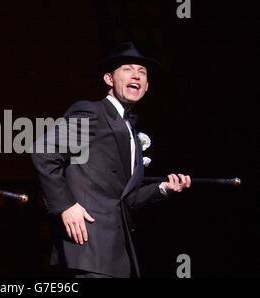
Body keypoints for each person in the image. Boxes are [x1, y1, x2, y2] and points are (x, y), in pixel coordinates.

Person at [31, 42, 191, 278]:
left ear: (146, 87)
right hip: (89, 244)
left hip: (118, 254)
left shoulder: (133, 135)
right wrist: (65, 205)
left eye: (142, 72)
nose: (136, 74)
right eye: (127, 68)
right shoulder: (92, 112)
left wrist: (163, 188)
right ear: (109, 79)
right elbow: (44, 151)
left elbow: (127, 198)